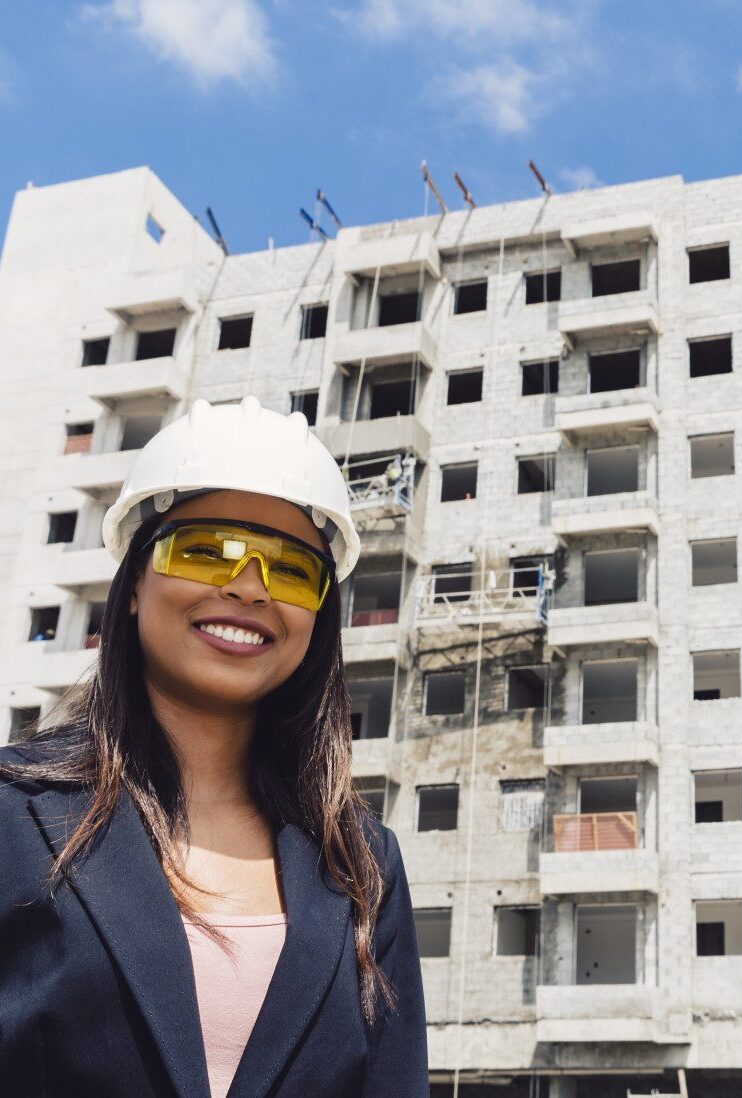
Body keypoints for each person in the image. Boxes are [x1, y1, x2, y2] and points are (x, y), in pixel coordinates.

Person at [0, 397, 429, 1097]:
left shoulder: (361, 863)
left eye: (292, 569)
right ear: (136, 581)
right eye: (206, 551)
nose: (249, 586)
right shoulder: (12, 814)